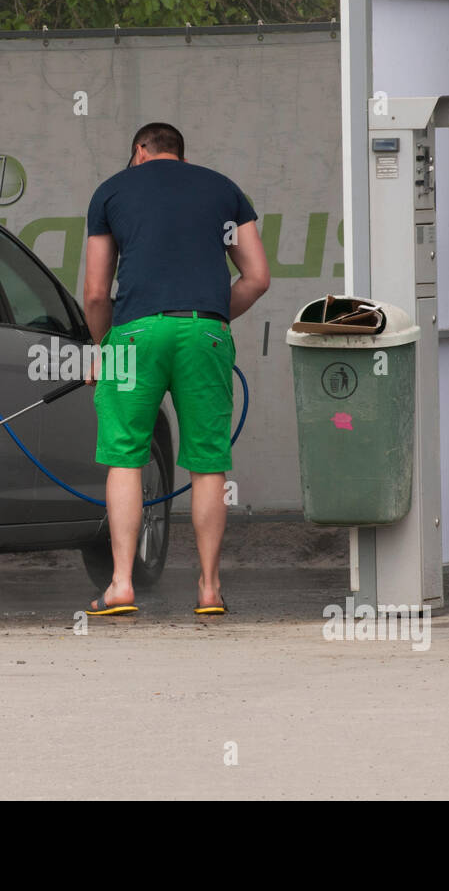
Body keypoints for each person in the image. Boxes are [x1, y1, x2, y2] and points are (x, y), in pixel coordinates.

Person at [82, 122, 270, 616]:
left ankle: (121, 584)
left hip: (135, 335)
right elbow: (257, 277)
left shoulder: (111, 191)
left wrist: (101, 348)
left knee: (126, 456)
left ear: (139, 151)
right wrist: (210, 316)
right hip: (204, 331)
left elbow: (97, 292)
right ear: (180, 154)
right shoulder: (225, 190)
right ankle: (209, 589)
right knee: (207, 462)